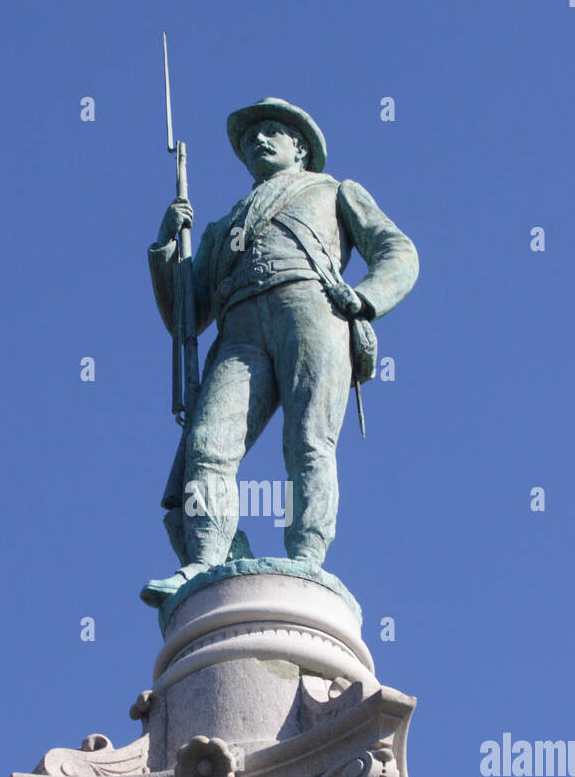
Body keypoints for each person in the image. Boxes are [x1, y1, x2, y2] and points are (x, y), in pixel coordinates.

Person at [141, 98, 418, 606]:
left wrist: (365, 297)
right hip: (239, 329)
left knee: (308, 441)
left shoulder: (334, 191)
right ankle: (205, 557)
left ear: (302, 147)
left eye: (271, 132)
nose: (257, 142)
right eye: (250, 139)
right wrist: (166, 248)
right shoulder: (222, 227)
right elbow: (186, 316)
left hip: (312, 309)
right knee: (208, 443)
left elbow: (397, 250)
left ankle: (306, 560)